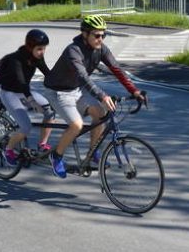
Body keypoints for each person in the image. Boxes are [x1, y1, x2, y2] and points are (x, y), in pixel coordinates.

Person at [44, 15, 146, 179]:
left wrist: (134, 91)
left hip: (76, 89)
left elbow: (117, 69)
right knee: (76, 125)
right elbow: (83, 77)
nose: (101, 39)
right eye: (97, 35)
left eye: (103, 35)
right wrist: (102, 96)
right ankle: (56, 155)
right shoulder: (73, 51)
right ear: (85, 34)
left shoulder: (101, 49)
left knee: (100, 113)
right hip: (58, 91)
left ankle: (92, 154)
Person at [0, 29, 55, 165]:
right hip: (10, 93)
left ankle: (42, 144)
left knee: (50, 112)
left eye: (44, 48)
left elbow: (49, 74)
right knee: (26, 127)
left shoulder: (36, 57)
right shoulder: (15, 59)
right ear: (30, 47)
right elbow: (22, 83)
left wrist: (65, 88)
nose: (42, 52)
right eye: (39, 49)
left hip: (25, 91)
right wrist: (32, 101)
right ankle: (8, 149)